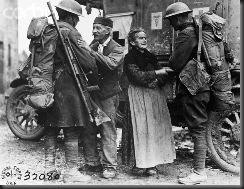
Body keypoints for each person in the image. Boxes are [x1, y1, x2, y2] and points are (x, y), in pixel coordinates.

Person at [44, 0, 98, 183]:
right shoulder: (70, 32)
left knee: (50, 129)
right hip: (68, 85)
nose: (77, 21)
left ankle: (48, 170)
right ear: (71, 16)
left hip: (47, 85)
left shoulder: (48, 30)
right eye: (76, 17)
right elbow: (88, 62)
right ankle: (71, 172)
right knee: (72, 129)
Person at [164, 2, 210, 185]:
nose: (170, 25)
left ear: (177, 18)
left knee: (198, 129)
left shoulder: (186, 34)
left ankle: (199, 172)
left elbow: (175, 63)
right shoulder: (198, 31)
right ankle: (199, 170)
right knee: (200, 128)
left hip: (192, 89)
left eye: (170, 21)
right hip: (202, 86)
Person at [124, 27, 176, 176]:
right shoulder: (129, 58)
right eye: (140, 38)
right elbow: (135, 76)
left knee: (154, 129)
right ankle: (140, 163)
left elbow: (163, 72)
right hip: (138, 96)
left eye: (145, 37)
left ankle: (152, 165)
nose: (144, 40)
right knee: (140, 129)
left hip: (154, 95)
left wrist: (158, 82)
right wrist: (156, 74)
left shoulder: (151, 56)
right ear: (133, 42)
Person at [77, 16, 124, 179]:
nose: (94, 31)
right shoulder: (94, 45)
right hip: (93, 95)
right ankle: (92, 163)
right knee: (89, 127)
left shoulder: (117, 48)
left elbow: (111, 64)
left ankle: (110, 166)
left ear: (108, 30)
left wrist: (90, 52)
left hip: (108, 96)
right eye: (93, 27)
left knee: (107, 129)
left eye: (98, 28)